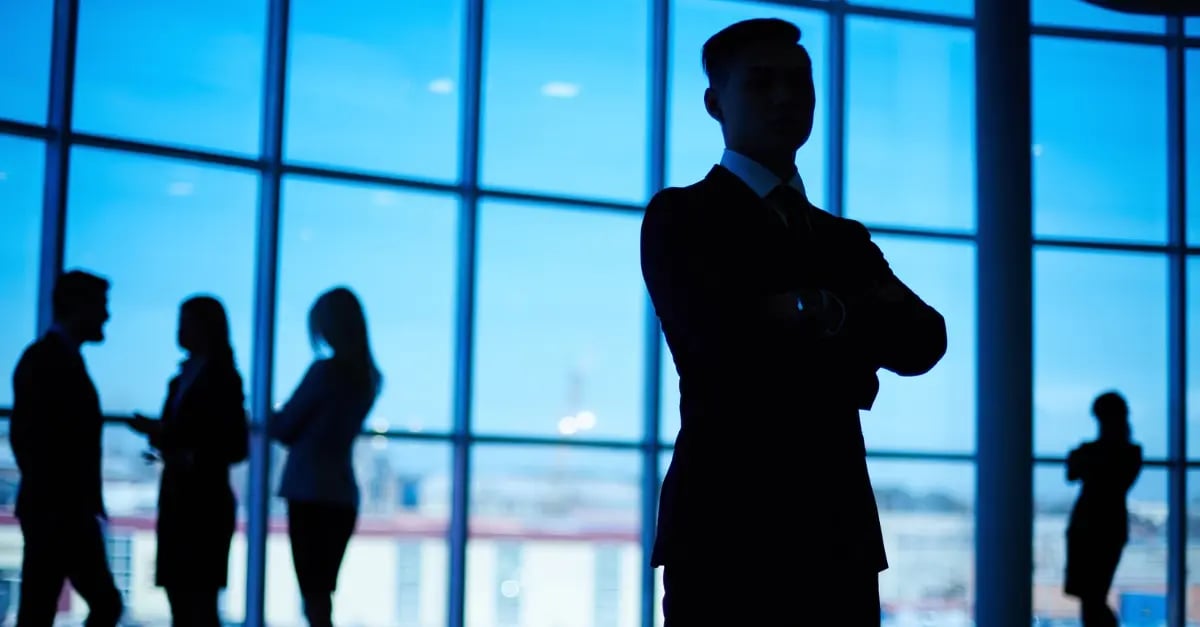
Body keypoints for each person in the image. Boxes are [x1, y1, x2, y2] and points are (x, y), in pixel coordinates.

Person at [640, 18, 947, 625]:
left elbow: (923, 341)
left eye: (799, 83)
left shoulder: (843, 236)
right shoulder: (683, 216)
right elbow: (717, 341)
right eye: (761, 83)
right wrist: (850, 322)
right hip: (725, 528)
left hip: (835, 530)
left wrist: (803, 312)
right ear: (714, 103)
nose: (786, 98)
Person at [10, 270, 124, 626]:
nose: (106, 316)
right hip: (60, 510)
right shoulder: (51, 361)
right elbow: (34, 439)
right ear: (79, 307)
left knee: (40, 605)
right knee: (94, 603)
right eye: (101, 306)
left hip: (55, 508)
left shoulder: (48, 359)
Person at [129, 295, 249, 626]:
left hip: (202, 502)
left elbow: (234, 444)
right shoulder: (186, 378)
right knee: (185, 599)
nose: (178, 331)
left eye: (185, 323)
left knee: (196, 600)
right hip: (182, 498)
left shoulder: (219, 379)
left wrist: (184, 452)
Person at [269, 287, 382, 627]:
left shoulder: (325, 372)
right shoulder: (367, 379)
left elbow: (286, 427)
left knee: (312, 594)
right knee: (322, 593)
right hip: (340, 493)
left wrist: (256, 413)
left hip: (309, 492)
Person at [1065, 391, 1143, 627]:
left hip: (1095, 526)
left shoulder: (1120, 453)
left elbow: (1075, 471)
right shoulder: (1127, 453)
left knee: (1091, 598)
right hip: (1101, 526)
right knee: (1091, 598)